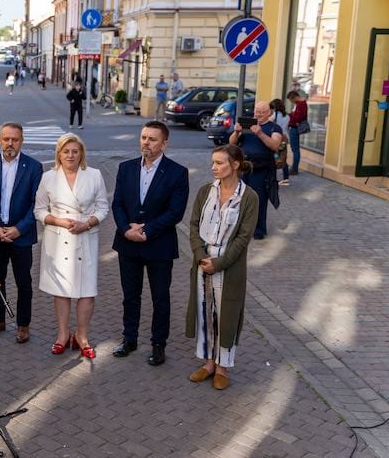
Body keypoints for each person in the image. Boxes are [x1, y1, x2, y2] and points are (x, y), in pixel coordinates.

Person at [111, 121, 189, 366]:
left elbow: (175, 212)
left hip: (159, 244)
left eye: (152, 139)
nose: (146, 142)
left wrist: (146, 230)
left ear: (164, 143)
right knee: (130, 296)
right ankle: (129, 339)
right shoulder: (126, 168)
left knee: (160, 298)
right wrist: (125, 230)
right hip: (128, 244)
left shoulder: (177, 172)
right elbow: (118, 204)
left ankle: (158, 345)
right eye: (143, 137)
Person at [186, 145, 258, 390]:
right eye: (213, 163)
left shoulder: (249, 197)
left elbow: (243, 238)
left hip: (228, 267)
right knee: (205, 313)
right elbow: (193, 226)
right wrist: (200, 256)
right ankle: (208, 363)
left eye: (219, 163)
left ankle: (223, 368)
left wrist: (218, 263)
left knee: (226, 317)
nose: (214, 168)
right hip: (202, 262)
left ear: (235, 164)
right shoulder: (205, 191)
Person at [35, 133, 109, 358]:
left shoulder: (94, 175)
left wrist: (87, 223)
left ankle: (82, 336)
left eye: (75, 151)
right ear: (59, 153)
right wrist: (58, 221)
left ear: (81, 154)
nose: (70, 155)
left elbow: (103, 207)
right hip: (58, 239)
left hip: (86, 237)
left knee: (86, 290)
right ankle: (63, 335)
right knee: (62, 290)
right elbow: (39, 210)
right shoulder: (49, 177)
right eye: (66, 151)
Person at [0, 123, 43, 343]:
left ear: (22, 141)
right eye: (6, 139)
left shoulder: (34, 167)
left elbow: (36, 204)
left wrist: (18, 230)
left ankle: (23, 324)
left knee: (23, 281)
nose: (10, 143)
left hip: (21, 236)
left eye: (14, 139)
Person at [229, 101, 282, 240]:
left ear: (268, 113)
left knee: (258, 199)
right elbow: (231, 143)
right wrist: (236, 131)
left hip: (261, 169)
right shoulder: (247, 124)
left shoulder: (274, 128)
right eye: (256, 111)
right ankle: (240, 228)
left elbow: (275, 145)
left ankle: (258, 229)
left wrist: (260, 134)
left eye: (261, 112)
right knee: (239, 198)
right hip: (243, 167)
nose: (257, 114)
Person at [286, 90, 308, 176]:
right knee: (295, 149)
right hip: (294, 127)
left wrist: (290, 115)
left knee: (295, 149)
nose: (291, 102)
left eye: (291, 100)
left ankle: (294, 168)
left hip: (294, 128)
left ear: (294, 97)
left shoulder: (300, 104)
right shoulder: (301, 104)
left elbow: (298, 117)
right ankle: (294, 168)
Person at [270, 99, 291, 186]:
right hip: (285, 138)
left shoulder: (274, 115)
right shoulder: (287, 116)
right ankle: (286, 177)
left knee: (274, 156)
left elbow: (269, 122)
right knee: (283, 157)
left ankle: (273, 178)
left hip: (276, 137)